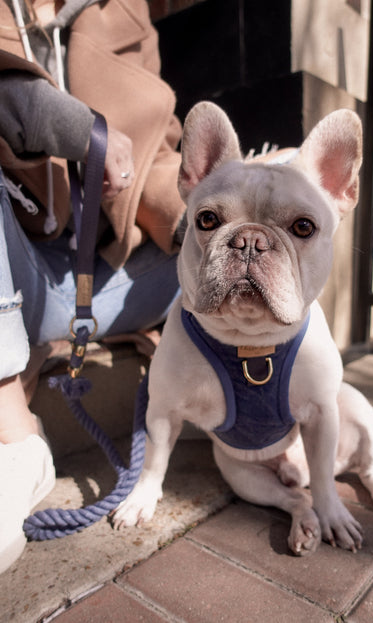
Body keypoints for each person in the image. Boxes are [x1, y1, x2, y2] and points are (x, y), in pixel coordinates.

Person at [0, 0, 186, 574]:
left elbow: (160, 152)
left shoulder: (127, 12)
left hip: (114, 271)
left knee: (227, 246)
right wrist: (74, 126)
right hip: (19, 266)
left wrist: (191, 220)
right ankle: (16, 440)